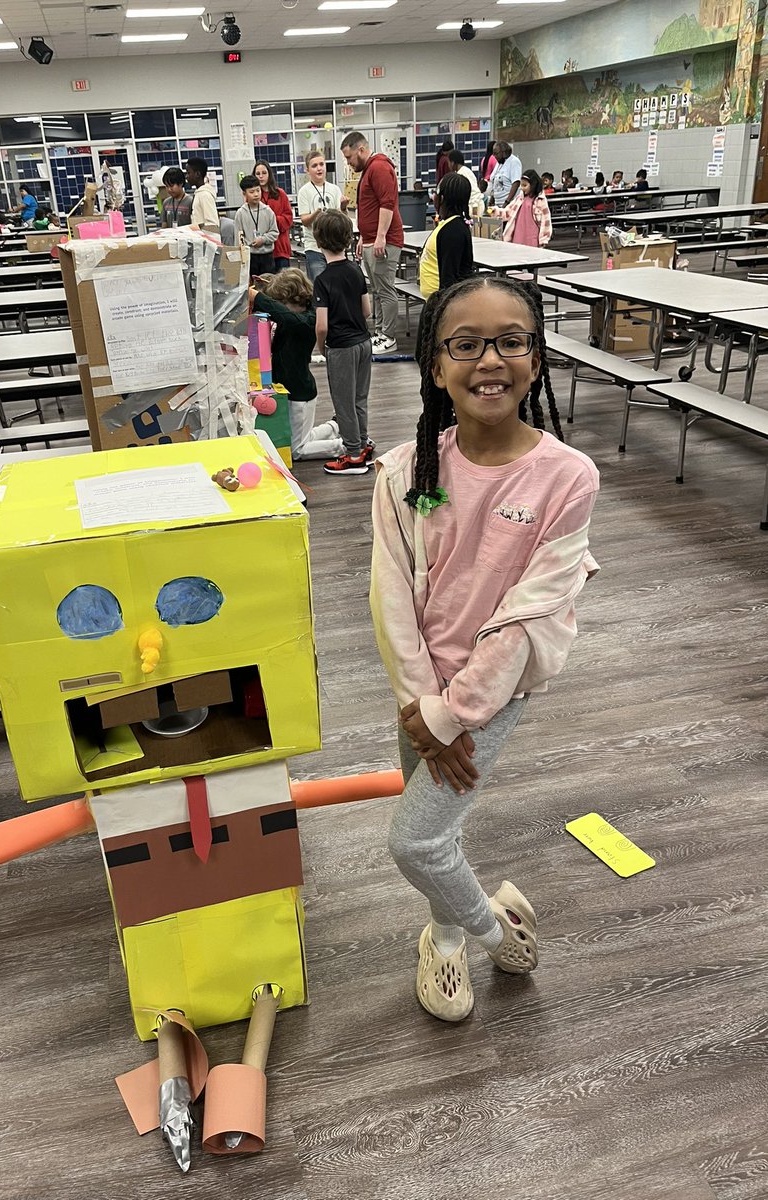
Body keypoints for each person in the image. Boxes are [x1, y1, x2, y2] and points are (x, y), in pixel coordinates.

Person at [369, 273, 600, 1021]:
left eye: (510, 341)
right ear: (435, 366)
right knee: (443, 827)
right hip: (420, 693)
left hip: (491, 696)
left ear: (536, 357)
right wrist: (420, 704)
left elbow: (532, 610)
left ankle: (493, 936)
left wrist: (457, 711)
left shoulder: (568, 477)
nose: (489, 360)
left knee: (416, 842)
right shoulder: (405, 471)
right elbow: (392, 593)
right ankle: (445, 935)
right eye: (465, 345)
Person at [251, 269, 345, 462]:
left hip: (300, 394)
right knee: (302, 438)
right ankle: (336, 426)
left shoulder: (307, 320)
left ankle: (346, 446)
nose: (280, 309)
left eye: (283, 304)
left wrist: (256, 296)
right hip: (293, 391)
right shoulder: (296, 317)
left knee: (297, 450)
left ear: (294, 300)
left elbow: (285, 316)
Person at [313, 208, 374, 476]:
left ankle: (352, 455)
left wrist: (319, 346)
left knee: (343, 402)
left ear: (318, 241)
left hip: (341, 347)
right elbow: (367, 311)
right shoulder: (355, 269)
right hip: (363, 343)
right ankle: (362, 443)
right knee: (359, 398)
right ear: (349, 238)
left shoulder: (323, 280)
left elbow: (322, 324)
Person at [340, 130, 404, 355]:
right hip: (372, 240)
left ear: (361, 149)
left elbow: (387, 204)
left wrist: (380, 237)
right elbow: (371, 207)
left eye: (349, 158)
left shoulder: (379, 167)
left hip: (385, 241)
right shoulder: (369, 169)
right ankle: (380, 333)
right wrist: (365, 238)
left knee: (385, 289)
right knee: (376, 290)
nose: (348, 163)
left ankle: (389, 336)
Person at [420, 173, 475, 301]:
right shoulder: (448, 224)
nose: (434, 197)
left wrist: (443, 308)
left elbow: (449, 278)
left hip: (442, 302)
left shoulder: (453, 231)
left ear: (442, 198)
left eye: (436, 192)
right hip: (434, 300)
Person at [297, 149, 347, 284]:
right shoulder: (304, 191)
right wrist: (316, 213)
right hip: (314, 247)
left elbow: (342, 219)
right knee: (320, 286)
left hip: (334, 246)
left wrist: (343, 207)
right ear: (308, 170)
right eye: (314, 166)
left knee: (337, 285)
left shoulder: (334, 189)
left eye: (321, 164)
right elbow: (304, 221)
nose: (319, 169)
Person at [492, 169, 552, 248]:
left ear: (533, 185)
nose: (522, 188)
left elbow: (545, 222)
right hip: (517, 237)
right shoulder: (520, 198)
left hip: (532, 240)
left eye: (525, 185)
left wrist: (543, 241)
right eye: (521, 185)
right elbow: (508, 212)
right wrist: (495, 211)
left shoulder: (540, 200)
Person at [234, 174, 278, 278]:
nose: (256, 194)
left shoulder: (268, 211)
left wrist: (263, 239)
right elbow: (238, 238)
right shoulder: (240, 213)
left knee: (268, 285)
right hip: (250, 256)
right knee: (251, 287)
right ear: (244, 194)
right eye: (252, 192)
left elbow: (275, 233)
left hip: (267, 256)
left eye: (258, 190)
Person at [253, 160, 293, 273]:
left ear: (269, 174)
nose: (261, 176)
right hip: (261, 251)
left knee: (283, 285)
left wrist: (271, 220)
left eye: (264, 173)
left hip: (280, 248)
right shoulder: (253, 197)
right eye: (258, 173)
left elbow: (288, 219)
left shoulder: (280, 194)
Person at [185, 156, 220, 233]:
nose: (186, 176)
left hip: (207, 241)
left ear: (197, 174)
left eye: (188, 173)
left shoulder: (205, 195)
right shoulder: (198, 193)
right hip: (200, 239)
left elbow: (212, 224)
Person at [446, 149, 484, 217]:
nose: (448, 165)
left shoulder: (463, 173)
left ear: (453, 162)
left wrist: (474, 209)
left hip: (474, 207)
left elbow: (474, 191)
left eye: (448, 162)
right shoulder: (462, 172)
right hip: (470, 206)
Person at [488, 141, 522, 210]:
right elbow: (495, 182)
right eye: (493, 154)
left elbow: (516, 183)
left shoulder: (514, 161)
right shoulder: (499, 163)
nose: (494, 156)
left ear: (503, 152)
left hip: (509, 205)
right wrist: (492, 199)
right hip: (497, 204)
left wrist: (507, 202)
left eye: (496, 154)